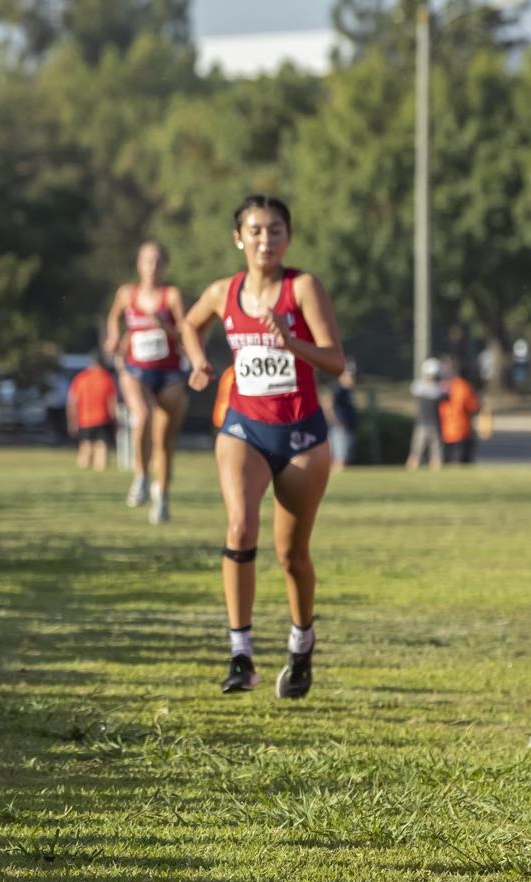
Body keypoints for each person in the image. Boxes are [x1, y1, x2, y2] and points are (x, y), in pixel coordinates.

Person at [180, 194, 347, 699]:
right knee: (238, 526)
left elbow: (336, 361)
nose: (265, 240)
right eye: (255, 230)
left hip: (300, 434)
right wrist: (198, 363)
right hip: (244, 428)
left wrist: (290, 343)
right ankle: (240, 654)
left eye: (275, 231)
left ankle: (301, 644)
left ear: (287, 238)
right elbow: (190, 323)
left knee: (292, 554)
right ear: (238, 238)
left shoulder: (303, 288)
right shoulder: (222, 291)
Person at [102, 241, 191, 525]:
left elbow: (187, 332)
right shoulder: (127, 293)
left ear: (165, 266)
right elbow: (114, 317)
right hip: (135, 369)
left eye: (157, 262)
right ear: (139, 264)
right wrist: (114, 336)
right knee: (142, 416)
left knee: (164, 441)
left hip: (169, 373)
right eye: (147, 261)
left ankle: (161, 495)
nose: (152, 268)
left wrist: (164, 327)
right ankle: (140, 476)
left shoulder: (172, 296)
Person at [67, 356, 118, 470]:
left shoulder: (81, 378)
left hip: (84, 419)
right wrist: (115, 419)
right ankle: (101, 470)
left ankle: (84, 469)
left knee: (86, 446)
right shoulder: (107, 378)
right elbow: (112, 402)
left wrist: (72, 420)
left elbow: (72, 401)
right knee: (102, 446)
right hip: (103, 418)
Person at [440, 356, 482, 465]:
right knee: (463, 463)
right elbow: (473, 406)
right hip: (461, 430)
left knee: (446, 463)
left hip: (444, 431)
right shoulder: (463, 386)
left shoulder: (441, 387)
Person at [405, 357, 445, 471]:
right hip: (430, 423)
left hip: (423, 423)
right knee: (424, 450)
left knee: (418, 450)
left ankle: (415, 467)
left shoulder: (418, 387)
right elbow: (443, 394)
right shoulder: (437, 389)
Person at [326, 358, 360, 471]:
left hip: (349, 425)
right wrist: (335, 419)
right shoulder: (338, 389)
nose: (351, 378)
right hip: (339, 427)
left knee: (345, 457)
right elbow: (329, 403)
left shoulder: (348, 390)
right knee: (340, 459)